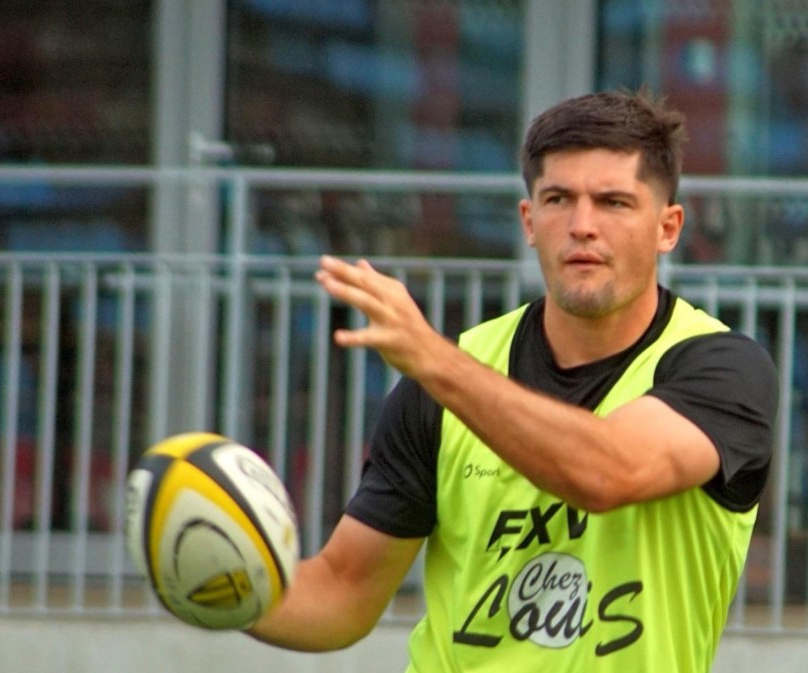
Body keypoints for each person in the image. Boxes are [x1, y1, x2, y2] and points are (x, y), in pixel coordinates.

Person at [247, 89, 779, 672]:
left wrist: (434, 361)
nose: (582, 226)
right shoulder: (448, 378)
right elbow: (341, 590)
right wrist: (220, 589)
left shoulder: (722, 369)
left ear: (667, 227)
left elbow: (608, 472)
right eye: (558, 199)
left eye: (613, 203)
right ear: (529, 221)